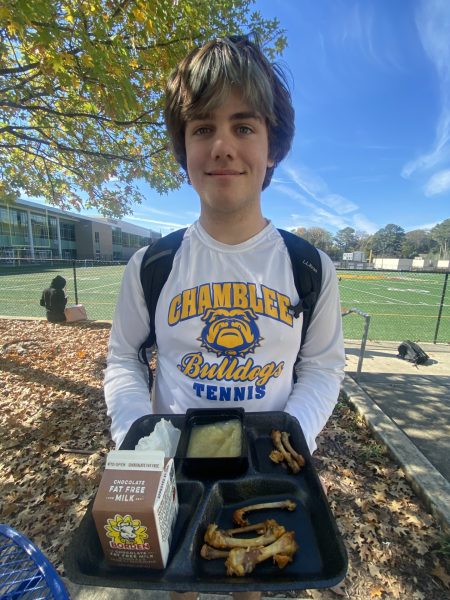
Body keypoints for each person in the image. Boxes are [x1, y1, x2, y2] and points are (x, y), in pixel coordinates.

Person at [104, 35, 345, 600]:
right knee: (182, 586)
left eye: (244, 126)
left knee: (250, 586)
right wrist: (141, 441)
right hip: (175, 471)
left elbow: (322, 367)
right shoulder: (153, 265)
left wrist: (288, 439)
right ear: (183, 146)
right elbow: (121, 358)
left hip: (265, 472)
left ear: (273, 147)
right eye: (202, 127)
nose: (222, 146)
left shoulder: (310, 267)